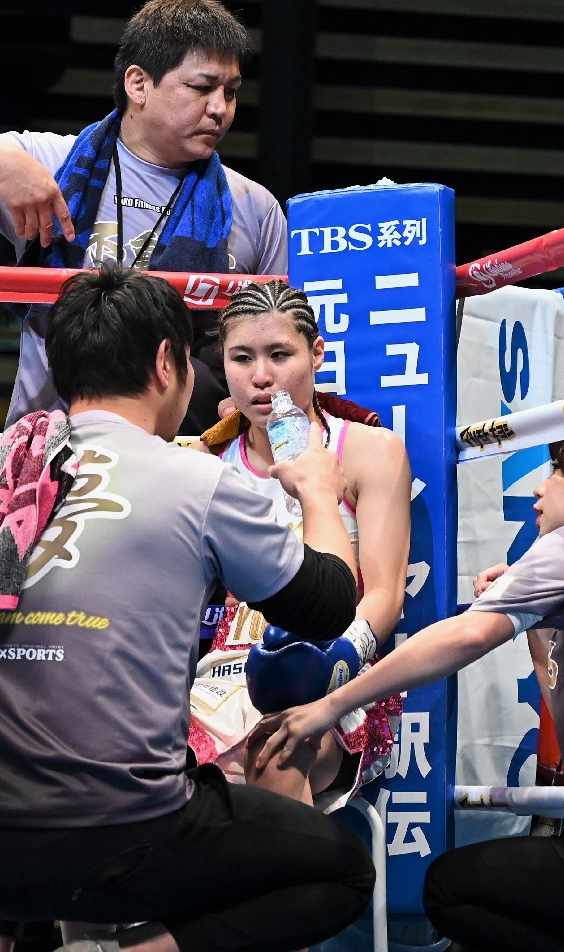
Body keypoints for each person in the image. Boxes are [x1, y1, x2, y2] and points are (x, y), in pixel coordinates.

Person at [0, 263, 376, 952]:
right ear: (169, 363)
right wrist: (318, 490)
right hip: (116, 837)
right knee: (339, 870)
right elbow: (329, 605)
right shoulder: (196, 479)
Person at [249, 421, 564, 952]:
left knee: (448, 891)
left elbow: (467, 634)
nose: (540, 485)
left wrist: (327, 706)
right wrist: (537, 615)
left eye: (558, 469)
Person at [0, 0, 287, 434]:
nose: (220, 109)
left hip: (189, 451)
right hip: (51, 450)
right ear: (138, 84)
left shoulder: (254, 208)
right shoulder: (51, 166)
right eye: (201, 87)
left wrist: (252, 395)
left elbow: (283, 339)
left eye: (230, 92)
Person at [189, 279, 411, 810]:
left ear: (316, 353)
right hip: (220, 674)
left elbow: (385, 595)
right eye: (242, 358)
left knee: (275, 750)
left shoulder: (368, 451)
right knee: (139, 749)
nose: (261, 376)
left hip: (339, 680)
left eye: (279, 354)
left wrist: (332, 664)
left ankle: (292, 865)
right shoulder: (204, 464)